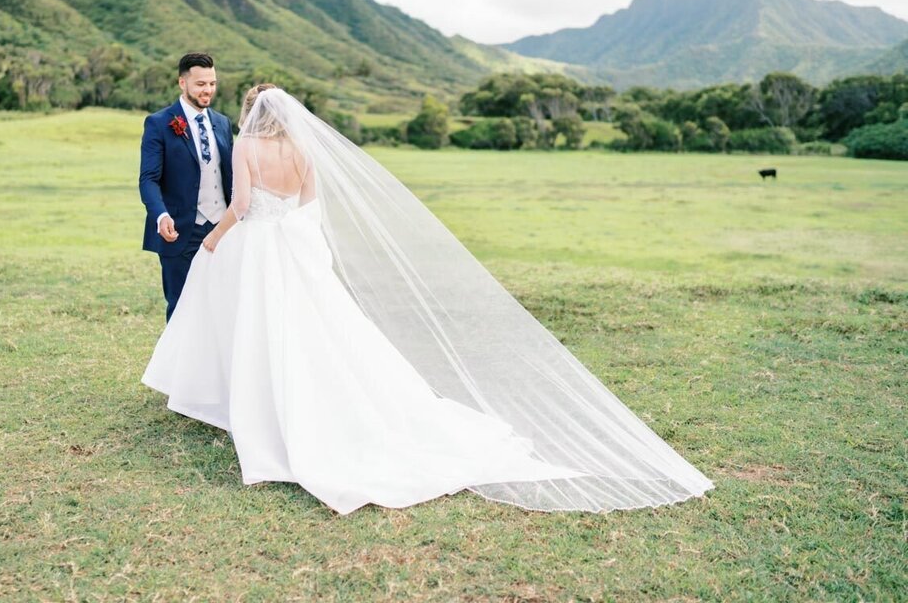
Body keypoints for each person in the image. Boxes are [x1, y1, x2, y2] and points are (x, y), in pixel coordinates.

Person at [142, 85, 715, 515]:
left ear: (251, 114)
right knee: (316, 334)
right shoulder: (302, 149)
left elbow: (241, 204)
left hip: (261, 245)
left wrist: (213, 243)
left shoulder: (245, 145)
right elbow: (310, 208)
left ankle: (256, 408)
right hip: (295, 245)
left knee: (257, 327)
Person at [138, 53, 234, 322]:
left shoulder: (223, 123)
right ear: (183, 83)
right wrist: (161, 215)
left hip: (222, 229)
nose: (208, 90)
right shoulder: (159, 123)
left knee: (222, 306)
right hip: (178, 231)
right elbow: (148, 179)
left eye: (212, 83)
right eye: (201, 84)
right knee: (181, 308)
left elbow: (232, 176)